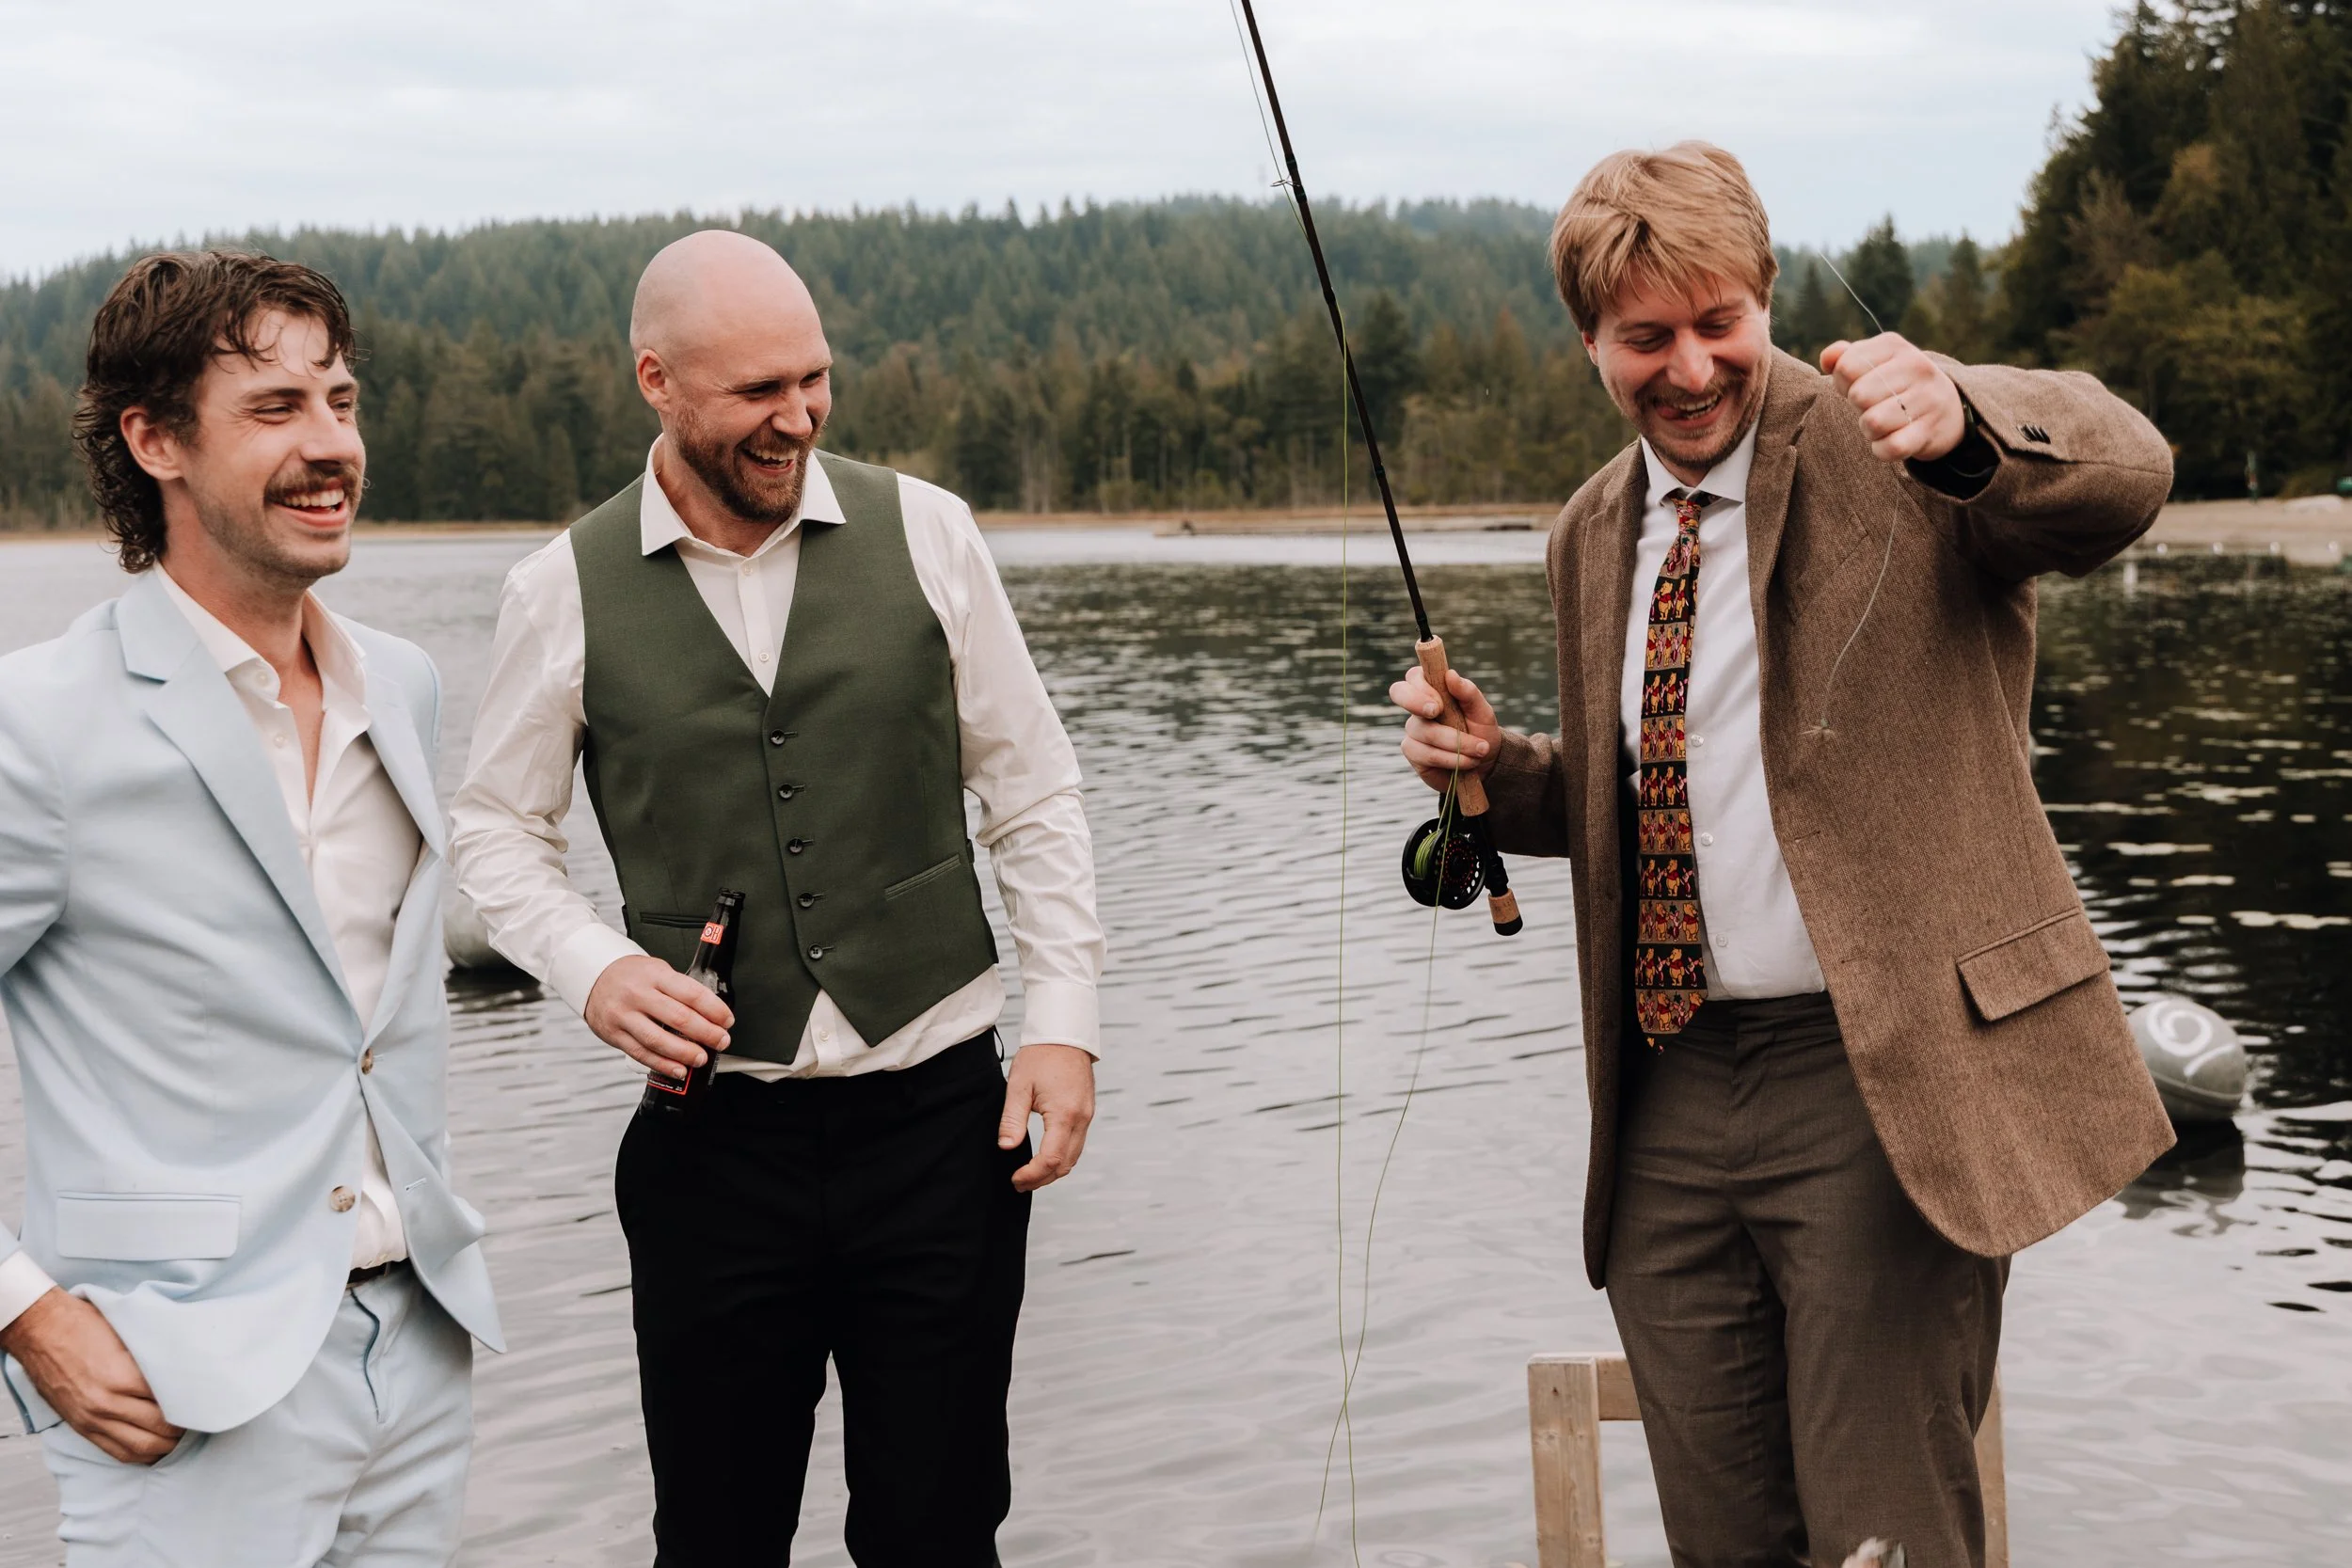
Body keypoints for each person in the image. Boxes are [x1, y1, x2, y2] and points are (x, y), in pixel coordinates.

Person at [1389, 144, 2174, 1568]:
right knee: (1722, 1539)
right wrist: (1494, 779)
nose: (1689, 368)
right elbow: (1651, 801)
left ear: (1763, 303)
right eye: (1647, 339)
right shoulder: (1587, 535)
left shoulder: (1908, 448)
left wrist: (1969, 415)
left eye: (1718, 324)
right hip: (1666, 1100)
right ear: (1593, 348)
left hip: (1878, 1081)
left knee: (1885, 1533)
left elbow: (2127, 468)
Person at [451, 230, 1104, 1565]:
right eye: (758, 389)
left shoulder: (931, 532)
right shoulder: (556, 589)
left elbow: (1032, 795)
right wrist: (591, 967)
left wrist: (1063, 1023)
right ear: (658, 382)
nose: (796, 415)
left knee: (938, 1529)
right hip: (712, 1154)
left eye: (814, 378)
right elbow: (494, 831)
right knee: (715, 1533)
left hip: (939, 1131)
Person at [0, 251, 502, 1564]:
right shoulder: (37, 724)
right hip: (177, 1389)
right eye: (276, 409)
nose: (331, 444)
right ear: (154, 438)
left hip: (421, 1356)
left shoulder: (404, 682)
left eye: (340, 400)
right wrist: (28, 1314)